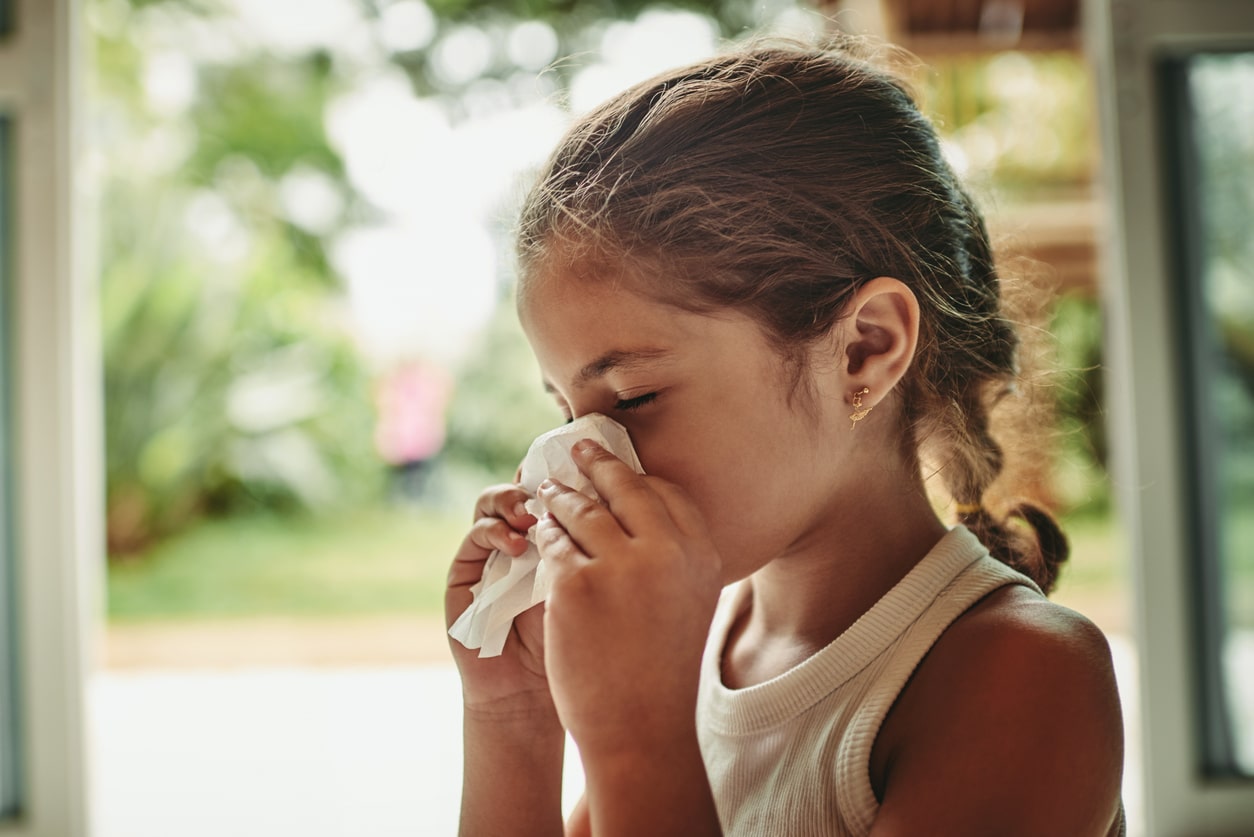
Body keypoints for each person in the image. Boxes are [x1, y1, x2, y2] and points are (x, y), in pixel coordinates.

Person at [445, 37, 1125, 836]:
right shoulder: (693, 642)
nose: (581, 458)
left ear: (864, 348)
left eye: (633, 396)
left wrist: (637, 734)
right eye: (567, 411)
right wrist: (516, 717)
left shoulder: (1025, 676)